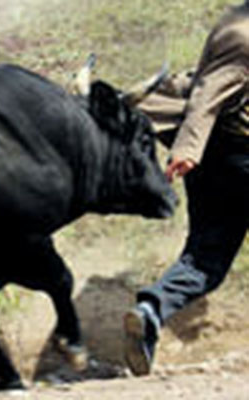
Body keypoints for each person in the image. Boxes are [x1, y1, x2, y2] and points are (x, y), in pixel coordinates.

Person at [124, 1, 249, 376]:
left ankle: (150, 310)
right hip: (234, 155)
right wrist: (188, 148)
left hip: (215, 156)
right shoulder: (243, 34)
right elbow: (209, 93)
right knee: (207, 258)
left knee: (204, 259)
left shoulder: (238, 18)